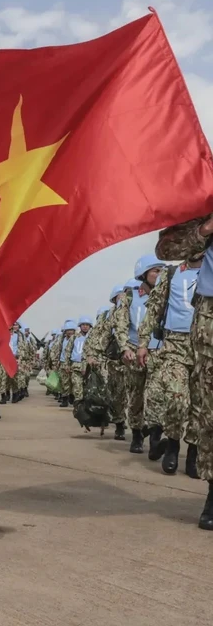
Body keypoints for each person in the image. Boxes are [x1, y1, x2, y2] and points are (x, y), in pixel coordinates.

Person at [155, 214, 213, 529]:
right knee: (208, 409)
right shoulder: (204, 197)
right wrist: (205, 229)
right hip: (208, 322)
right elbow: (165, 248)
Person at [137, 252, 203, 476]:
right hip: (174, 343)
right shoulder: (171, 274)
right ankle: (173, 444)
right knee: (176, 397)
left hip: (205, 345)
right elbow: (153, 309)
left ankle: (193, 453)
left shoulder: (210, 270)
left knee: (200, 403)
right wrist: (143, 343)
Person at [113, 256, 165, 454]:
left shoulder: (166, 294)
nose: (159, 275)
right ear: (144, 274)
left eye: (161, 271)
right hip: (134, 352)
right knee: (136, 396)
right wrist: (125, 347)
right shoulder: (130, 295)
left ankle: (154, 438)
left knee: (157, 396)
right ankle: (136, 434)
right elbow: (121, 324)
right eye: (155, 271)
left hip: (160, 352)